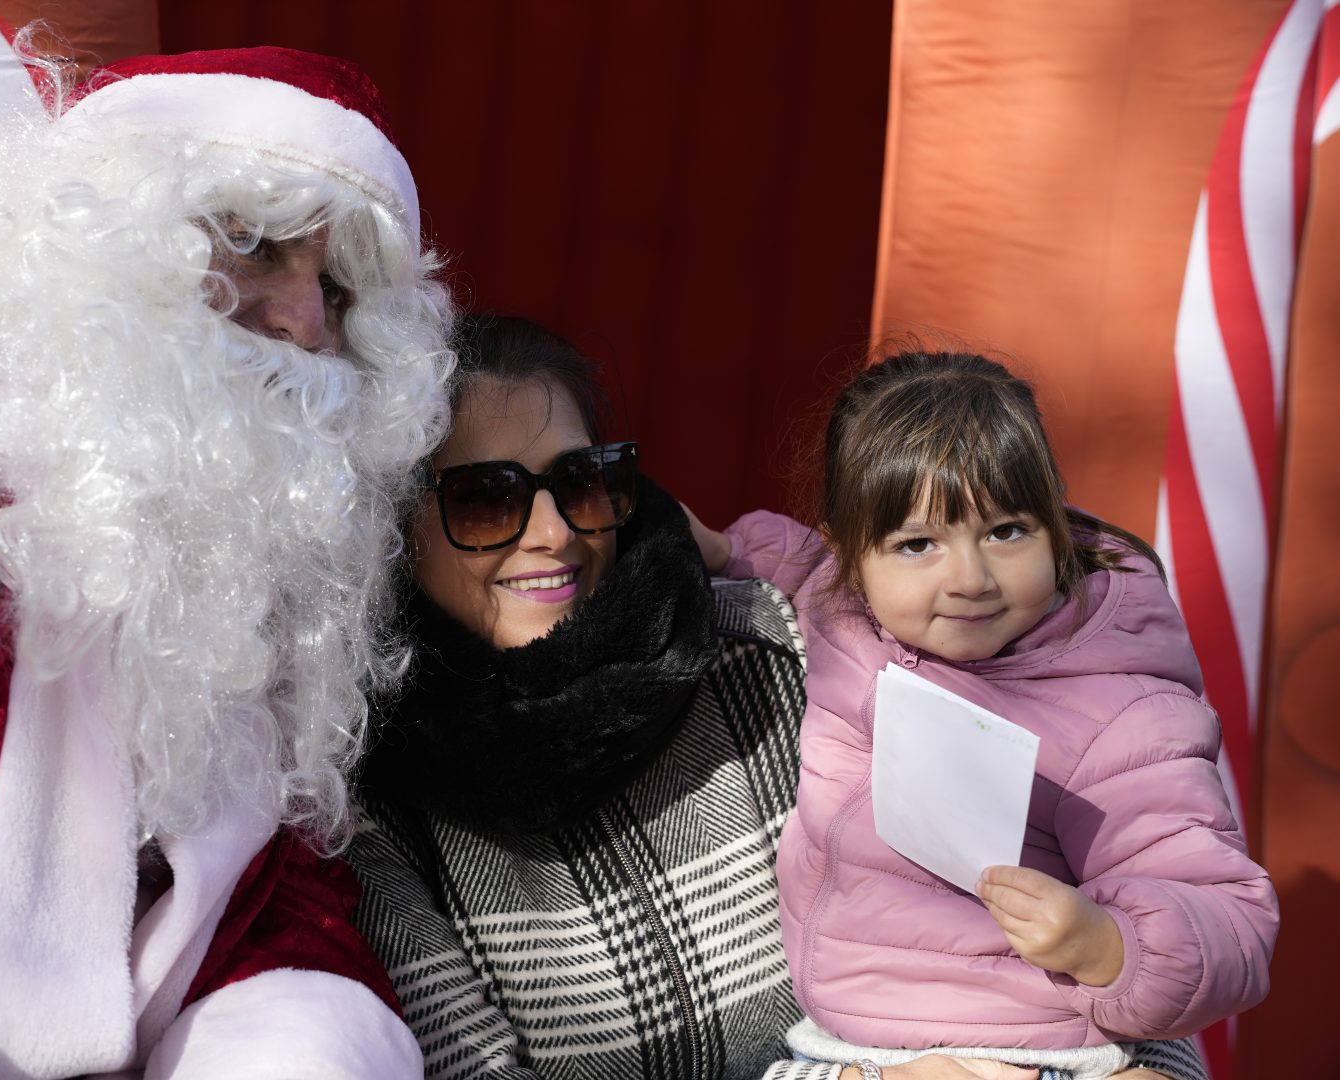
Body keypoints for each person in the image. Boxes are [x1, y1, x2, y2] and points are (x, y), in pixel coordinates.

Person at [0, 45, 453, 1078]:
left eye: (334, 286)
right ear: (97, 237)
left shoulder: (243, 538)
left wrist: (301, 1045)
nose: (301, 321)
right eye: (251, 243)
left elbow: (265, 911)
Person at [346, 315, 1210, 1080]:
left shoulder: (776, 643)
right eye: (485, 499)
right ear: (391, 525)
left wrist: (1155, 1073)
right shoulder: (374, 802)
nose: (553, 532)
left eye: (578, 481)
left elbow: (1102, 877)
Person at [697, 350, 1278, 1079]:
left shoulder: (1121, 706)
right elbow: (803, 563)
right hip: (846, 1043)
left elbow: (1229, 917)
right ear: (855, 559)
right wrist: (724, 548)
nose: (969, 579)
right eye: (917, 544)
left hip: (1034, 1053)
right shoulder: (843, 612)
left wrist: (1106, 945)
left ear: (1054, 521)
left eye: (1005, 531)